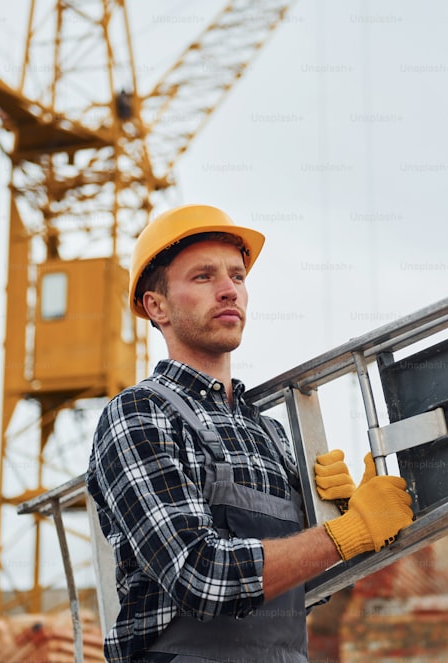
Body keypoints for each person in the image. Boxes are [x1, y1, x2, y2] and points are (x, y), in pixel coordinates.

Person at [86, 204, 415, 662]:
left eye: (237, 277)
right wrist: (344, 534)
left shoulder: (270, 434)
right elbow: (199, 577)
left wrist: (344, 518)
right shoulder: (140, 415)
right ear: (155, 306)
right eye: (203, 277)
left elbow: (302, 593)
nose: (228, 291)